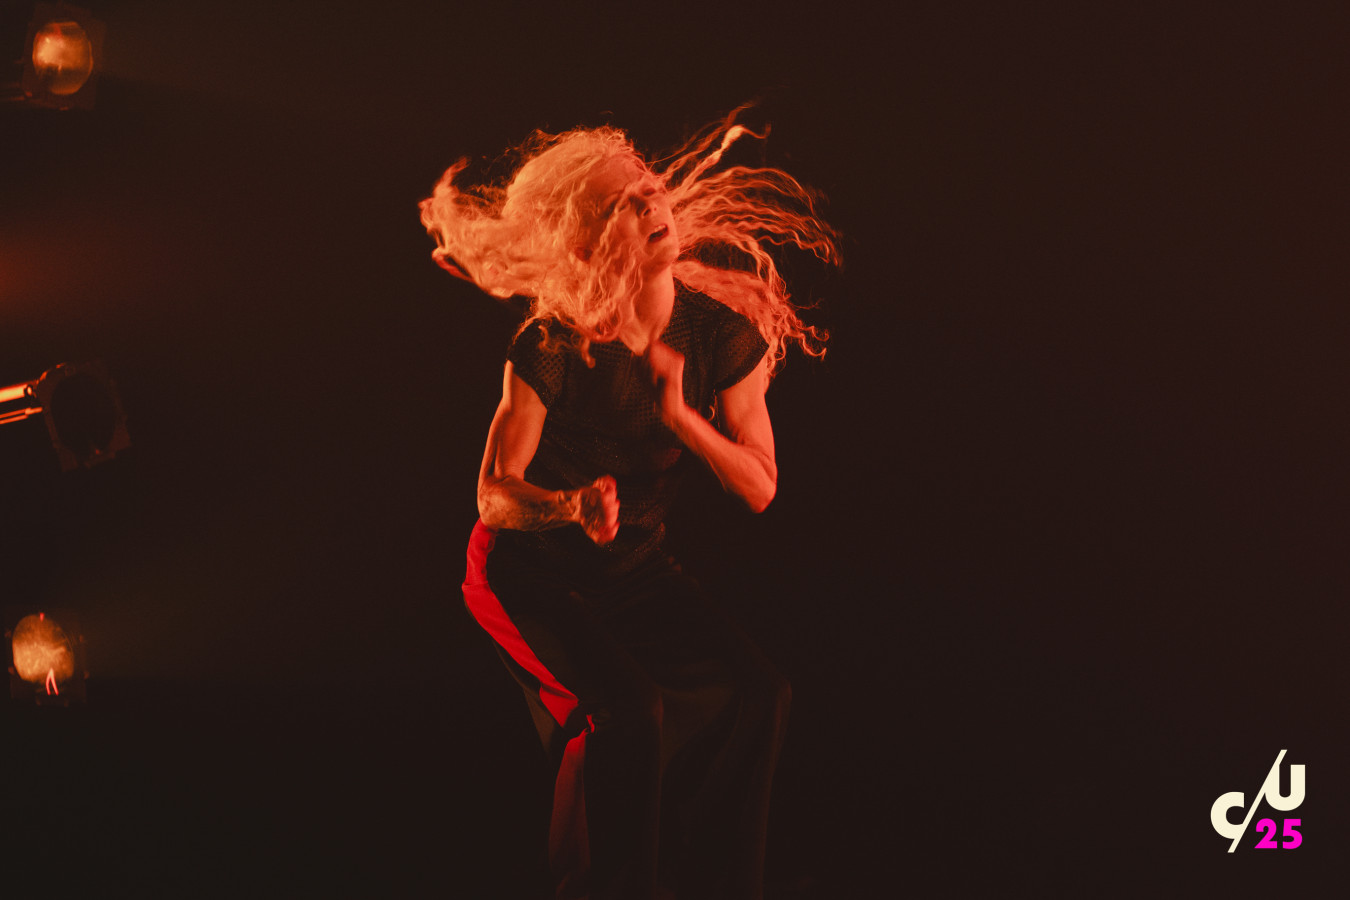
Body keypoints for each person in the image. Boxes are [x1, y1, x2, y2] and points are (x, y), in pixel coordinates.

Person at [420, 111, 839, 900]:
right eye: (624, 206)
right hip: (525, 571)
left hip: (632, 564)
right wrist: (569, 506)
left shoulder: (719, 336)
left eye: (650, 190)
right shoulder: (553, 344)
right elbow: (493, 495)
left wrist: (685, 421)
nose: (653, 208)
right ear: (585, 243)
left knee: (760, 695)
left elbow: (759, 486)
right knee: (625, 713)